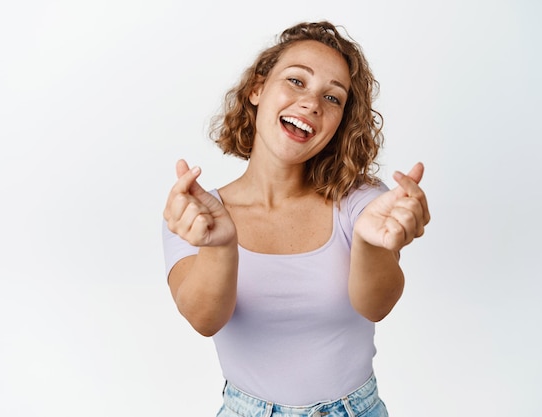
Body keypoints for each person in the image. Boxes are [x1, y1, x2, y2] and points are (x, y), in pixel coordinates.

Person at [162, 21, 430, 417]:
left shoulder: (358, 204)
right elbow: (204, 319)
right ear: (257, 89)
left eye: (333, 98)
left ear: (340, 123)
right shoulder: (198, 213)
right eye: (296, 81)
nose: (312, 104)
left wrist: (372, 244)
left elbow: (376, 306)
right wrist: (219, 246)